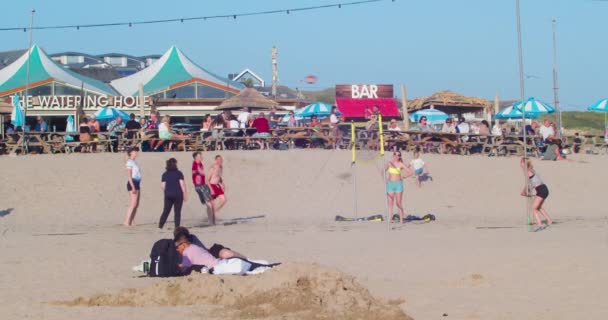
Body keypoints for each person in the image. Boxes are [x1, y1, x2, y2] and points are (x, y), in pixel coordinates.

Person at [173, 227, 245, 261]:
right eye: (180, 242)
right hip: (208, 260)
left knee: (227, 254)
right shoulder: (175, 247)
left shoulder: (192, 238)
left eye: (185, 241)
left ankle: (245, 259)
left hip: (211, 253)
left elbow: (205, 253)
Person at [520, 158, 553, 230]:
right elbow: (532, 183)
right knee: (538, 207)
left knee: (534, 208)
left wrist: (524, 191)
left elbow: (528, 184)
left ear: (525, 163)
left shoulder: (527, 171)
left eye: (521, 162)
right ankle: (549, 220)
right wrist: (526, 191)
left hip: (541, 189)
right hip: (542, 189)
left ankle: (540, 224)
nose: (520, 164)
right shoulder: (530, 170)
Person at [159, 158, 187, 229]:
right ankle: (177, 226)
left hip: (168, 194)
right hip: (178, 194)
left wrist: (167, 191)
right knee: (177, 212)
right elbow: (182, 185)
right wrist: (184, 194)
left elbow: (162, 186)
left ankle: (160, 225)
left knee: (166, 211)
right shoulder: (179, 173)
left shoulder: (165, 174)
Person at [386, 151, 410, 224]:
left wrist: (403, 177)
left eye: (399, 155)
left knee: (398, 203)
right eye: (396, 155)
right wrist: (385, 179)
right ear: (393, 156)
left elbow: (410, 172)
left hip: (398, 184)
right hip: (390, 184)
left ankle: (401, 219)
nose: (398, 156)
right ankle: (389, 219)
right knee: (390, 203)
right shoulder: (389, 163)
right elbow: (382, 171)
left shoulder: (400, 164)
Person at [192, 152, 215, 225]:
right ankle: (211, 221)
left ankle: (210, 219)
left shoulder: (200, 163)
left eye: (201, 156)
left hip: (201, 185)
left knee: (209, 202)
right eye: (199, 156)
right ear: (195, 157)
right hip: (200, 186)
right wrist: (199, 172)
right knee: (209, 203)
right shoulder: (195, 163)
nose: (201, 157)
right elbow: (194, 171)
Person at [124, 147, 141, 226]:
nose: (136, 153)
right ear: (130, 152)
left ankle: (132, 220)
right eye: (134, 151)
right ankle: (126, 221)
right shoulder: (129, 162)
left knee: (136, 204)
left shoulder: (134, 162)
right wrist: (133, 186)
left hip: (137, 183)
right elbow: (129, 176)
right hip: (132, 183)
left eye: (136, 151)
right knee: (133, 204)